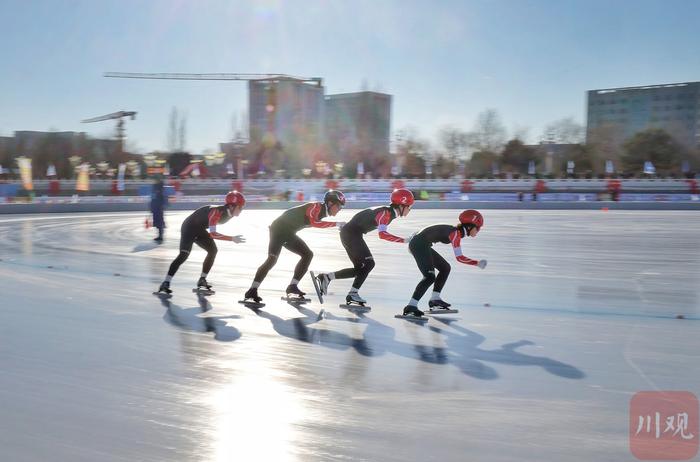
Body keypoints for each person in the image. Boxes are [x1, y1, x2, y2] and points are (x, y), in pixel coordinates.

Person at [313, 188, 414, 307]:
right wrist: (405, 240)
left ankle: (326, 277)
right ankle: (353, 293)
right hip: (352, 234)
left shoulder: (387, 211)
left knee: (360, 269)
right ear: (402, 204)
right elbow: (382, 235)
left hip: (350, 233)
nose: (410, 209)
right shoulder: (386, 213)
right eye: (409, 206)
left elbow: (362, 216)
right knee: (369, 264)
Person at [243, 190, 346, 303]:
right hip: (278, 229)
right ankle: (252, 290)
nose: (340, 209)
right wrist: (336, 223)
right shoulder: (315, 206)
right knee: (272, 260)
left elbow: (314, 222)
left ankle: (292, 287)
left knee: (307, 255)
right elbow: (314, 223)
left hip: (288, 233)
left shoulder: (322, 213)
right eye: (339, 206)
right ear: (330, 203)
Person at [156, 191, 246, 295]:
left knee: (213, 251)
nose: (241, 210)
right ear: (231, 206)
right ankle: (166, 282)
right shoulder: (216, 212)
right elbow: (213, 234)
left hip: (200, 229)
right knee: (184, 255)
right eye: (240, 207)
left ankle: (202, 280)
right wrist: (232, 239)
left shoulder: (230, 214)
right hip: (189, 228)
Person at [401, 209, 487, 318]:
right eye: (478, 228)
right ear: (470, 226)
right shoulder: (455, 233)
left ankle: (435, 300)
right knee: (429, 277)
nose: (478, 230)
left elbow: (426, 231)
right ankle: (410, 307)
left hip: (421, 244)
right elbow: (460, 258)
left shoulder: (455, 231)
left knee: (445, 268)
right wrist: (477, 263)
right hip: (418, 245)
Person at [150, 178, 168, 242]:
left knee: (159, 221)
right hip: (156, 207)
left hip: (158, 207)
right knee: (158, 221)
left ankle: (160, 236)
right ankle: (160, 235)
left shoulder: (159, 189)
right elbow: (153, 198)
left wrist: (162, 206)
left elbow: (163, 198)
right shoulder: (157, 189)